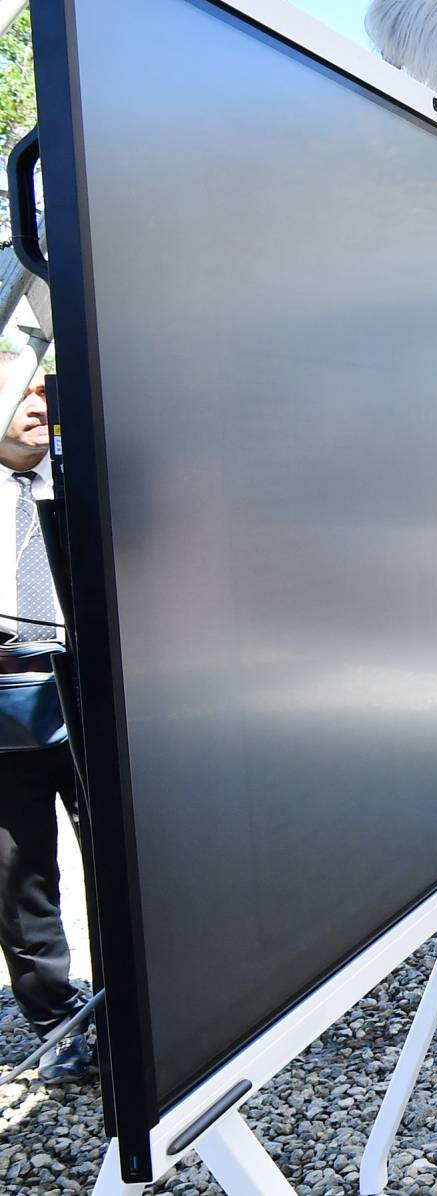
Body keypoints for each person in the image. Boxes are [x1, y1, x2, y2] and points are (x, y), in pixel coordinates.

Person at [1, 378, 91, 1084]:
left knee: (129, 852)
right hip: (4, 698)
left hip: (92, 689)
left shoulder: (83, 473)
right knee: (18, 872)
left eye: (39, 388)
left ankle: (144, 1010)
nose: (34, 403)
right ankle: (58, 1023)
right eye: (13, 391)